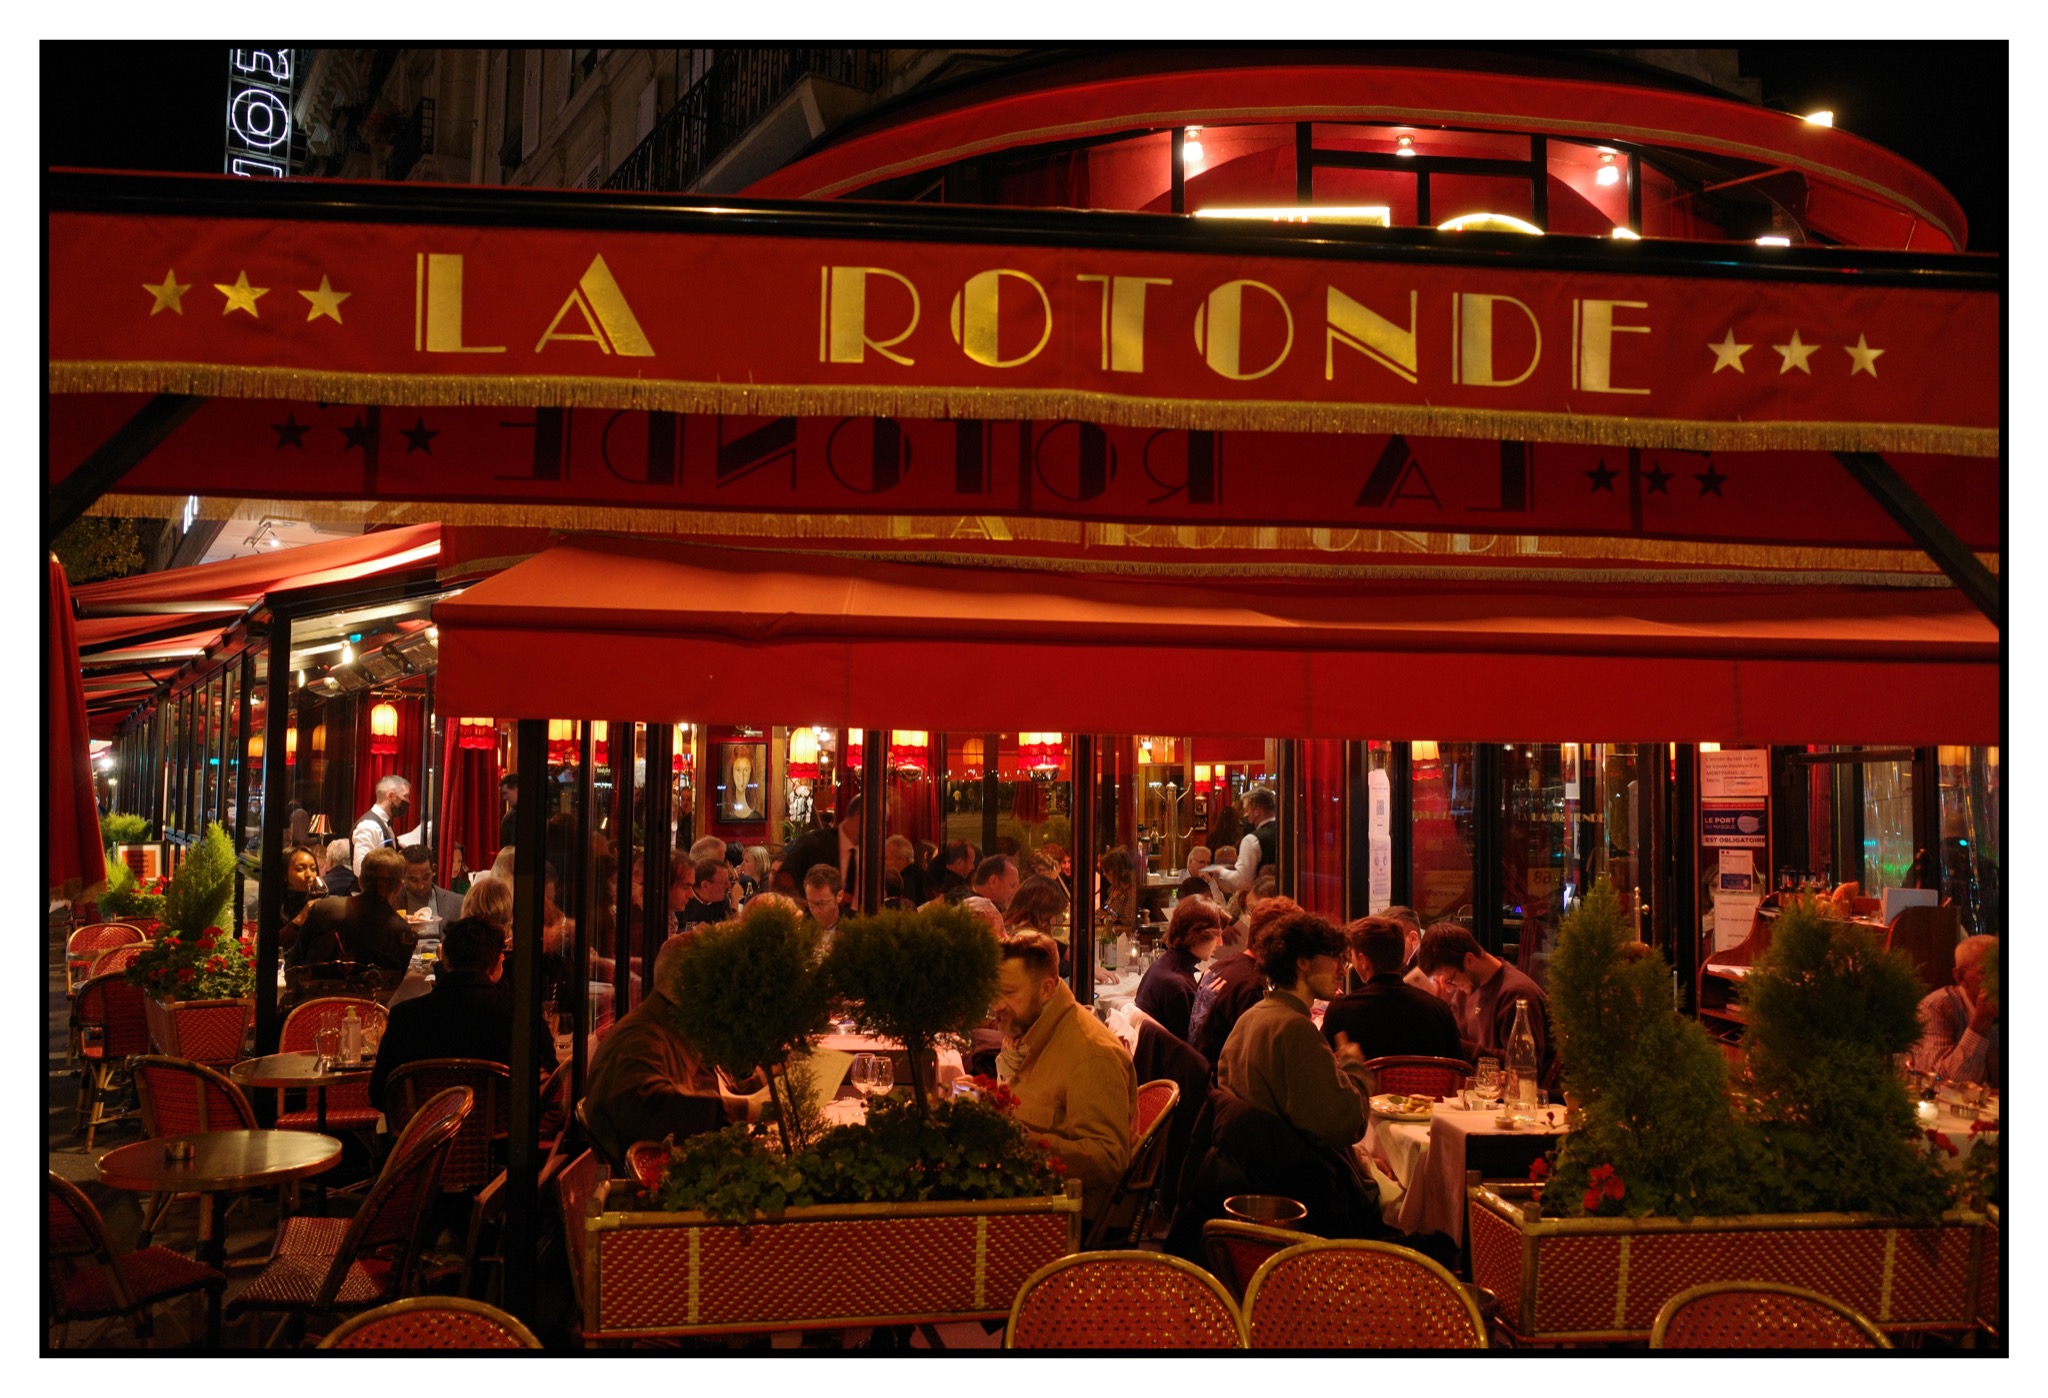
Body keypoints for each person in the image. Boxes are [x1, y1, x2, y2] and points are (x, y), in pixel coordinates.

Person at [993, 932, 1136, 1224]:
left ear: (1046, 990)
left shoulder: (1091, 1054)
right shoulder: (1033, 1030)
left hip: (1066, 1219)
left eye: (1007, 992)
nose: (996, 1005)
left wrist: (1015, 1144)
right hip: (1028, 1193)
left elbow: (1108, 1159)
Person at [1217, 911, 1374, 1150]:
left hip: (1250, 1161)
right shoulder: (1296, 1030)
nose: (1343, 970)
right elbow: (1343, 1125)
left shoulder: (1250, 1017)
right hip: (1291, 1168)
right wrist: (1353, 1068)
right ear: (1303, 962)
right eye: (1336, 959)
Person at [580, 933, 726, 1168]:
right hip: (653, 1182)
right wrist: (742, 1109)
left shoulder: (666, 1027)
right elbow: (657, 1107)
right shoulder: (641, 1039)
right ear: (685, 985)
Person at [367, 916, 513, 1110]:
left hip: (423, 1128)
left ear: (445, 960)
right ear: (494, 965)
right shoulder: (517, 1015)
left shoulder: (405, 1017)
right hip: (502, 1127)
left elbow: (378, 1095)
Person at [1416, 923, 1558, 1092]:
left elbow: (1523, 1067)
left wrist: (1457, 1045)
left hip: (1515, 1098)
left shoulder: (1517, 994)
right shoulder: (1463, 993)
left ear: (1469, 960)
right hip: (1476, 1094)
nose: (1448, 988)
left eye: (1450, 980)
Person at [1321, 917, 1466, 1064]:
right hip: (1429, 1080)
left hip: (1365, 1080)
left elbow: (1322, 1064)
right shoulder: (1438, 1009)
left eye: (1352, 956)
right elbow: (1459, 1068)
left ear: (1363, 960)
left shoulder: (1341, 1010)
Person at [1189, 895, 1303, 1069]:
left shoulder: (1222, 965)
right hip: (1221, 1080)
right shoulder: (1251, 988)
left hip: (1198, 1071)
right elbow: (1259, 1060)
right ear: (1278, 944)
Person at [291, 846, 414, 974]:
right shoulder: (404, 932)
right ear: (399, 887)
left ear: (360, 881)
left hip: (316, 987)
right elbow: (396, 981)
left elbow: (294, 964)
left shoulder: (322, 909)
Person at [1136, 897, 1228, 1044]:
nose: (1220, 942)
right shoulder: (1177, 984)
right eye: (1217, 935)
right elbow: (1195, 1048)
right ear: (1198, 935)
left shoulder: (1162, 965)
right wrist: (1210, 1005)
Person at [1913, 934, 2000, 1085]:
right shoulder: (1935, 1007)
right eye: (1986, 971)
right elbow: (1938, 1084)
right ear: (1960, 977)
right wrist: (1980, 1023)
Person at [779, 794, 868, 913]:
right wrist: (820, 899)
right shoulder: (814, 844)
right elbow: (784, 881)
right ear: (860, 817)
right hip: (816, 920)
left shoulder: (870, 852)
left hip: (860, 921)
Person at [1208, 787, 1278, 898]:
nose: (1244, 816)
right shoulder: (1289, 833)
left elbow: (1241, 881)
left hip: (1262, 900)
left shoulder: (1252, 840)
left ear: (1257, 811)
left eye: (1246, 810)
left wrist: (1221, 871)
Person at [351, 774, 419, 875]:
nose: (408, 801)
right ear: (391, 796)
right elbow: (361, 869)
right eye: (405, 796)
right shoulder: (368, 826)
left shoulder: (385, 823)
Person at [398, 844, 465, 923]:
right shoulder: (392, 903)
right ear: (402, 876)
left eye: (426, 877)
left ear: (434, 870)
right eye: (414, 880)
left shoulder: (456, 903)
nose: (421, 886)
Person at [278, 846, 326, 955]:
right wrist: (300, 919)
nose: (309, 875)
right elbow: (272, 946)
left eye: (313, 869)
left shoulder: (317, 901)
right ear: (284, 875)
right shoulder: (274, 903)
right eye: (300, 869)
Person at [676, 856, 732, 930]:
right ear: (705, 886)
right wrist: (692, 930)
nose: (729, 885)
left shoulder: (722, 901)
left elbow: (730, 929)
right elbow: (670, 933)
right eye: (724, 883)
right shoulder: (681, 901)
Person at [800, 864, 845, 950]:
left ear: (839, 896)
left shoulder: (852, 926)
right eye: (811, 903)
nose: (816, 911)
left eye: (822, 904)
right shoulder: (801, 926)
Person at [885, 834, 929, 907]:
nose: (882, 862)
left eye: (886, 858)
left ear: (903, 860)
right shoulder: (919, 874)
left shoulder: (912, 880)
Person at [498, 773, 518, 849]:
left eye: (506, 793)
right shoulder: (512, 814)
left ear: (516, 790)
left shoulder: (514, 815)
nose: (504, 798)